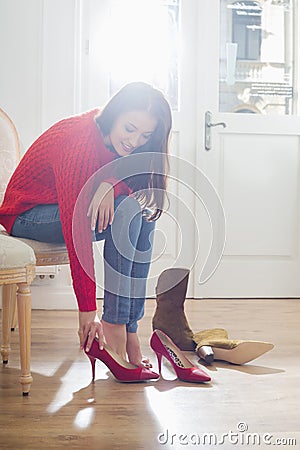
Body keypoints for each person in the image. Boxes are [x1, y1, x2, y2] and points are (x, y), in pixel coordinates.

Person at [0, 82, 172, 370]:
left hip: (63, 209)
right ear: (114, 114)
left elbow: (128, 183)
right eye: (129, 129)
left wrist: (108, 183)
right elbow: (75, 229)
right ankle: (114, 324)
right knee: (127, 209)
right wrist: (87, 310)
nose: (134, 142)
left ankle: (130, 328)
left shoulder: (121, 144)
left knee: (138, 214)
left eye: (145, 135)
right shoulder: (79, 141)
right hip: (26, 215)